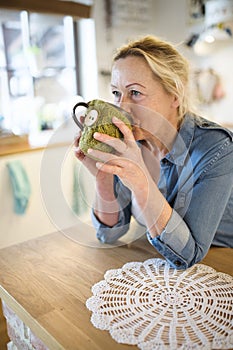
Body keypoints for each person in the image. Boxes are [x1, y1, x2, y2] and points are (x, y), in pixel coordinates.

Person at [74, 35, 233, 269]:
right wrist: (103, 176)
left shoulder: (217, 148)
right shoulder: (132, 143)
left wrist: (141, 183)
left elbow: (188, 256)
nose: (121, 107)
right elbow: (109, 234)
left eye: (135, 93)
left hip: (221, 260)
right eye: (117, 93)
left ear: (175, 95)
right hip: (159, 259)